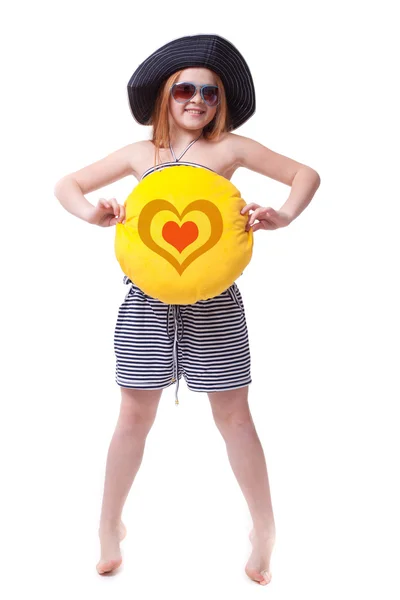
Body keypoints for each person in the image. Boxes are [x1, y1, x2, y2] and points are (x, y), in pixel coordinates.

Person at [54, 34, 321, 585]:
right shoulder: (139, 154)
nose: (197, 99)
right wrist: (92, 212)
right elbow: (68, 183)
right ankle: (109, 527)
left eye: (210, 92)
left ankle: (264, 528)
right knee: (132, 415)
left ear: (220, 103)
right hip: (145, 304)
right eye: (185, 89)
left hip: (215, 304)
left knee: (236, 417)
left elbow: (305, 175)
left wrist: (284, 215)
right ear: (164, 95)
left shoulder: (231, 150)